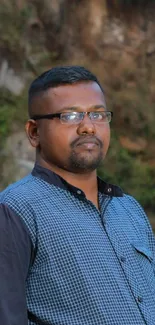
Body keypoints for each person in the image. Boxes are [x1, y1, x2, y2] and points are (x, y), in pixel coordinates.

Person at [0, 65, 155, 325]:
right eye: (69, 116)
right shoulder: (14, 211)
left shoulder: (129, 210)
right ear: (34, 132)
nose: (88, 128)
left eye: (98, 115)